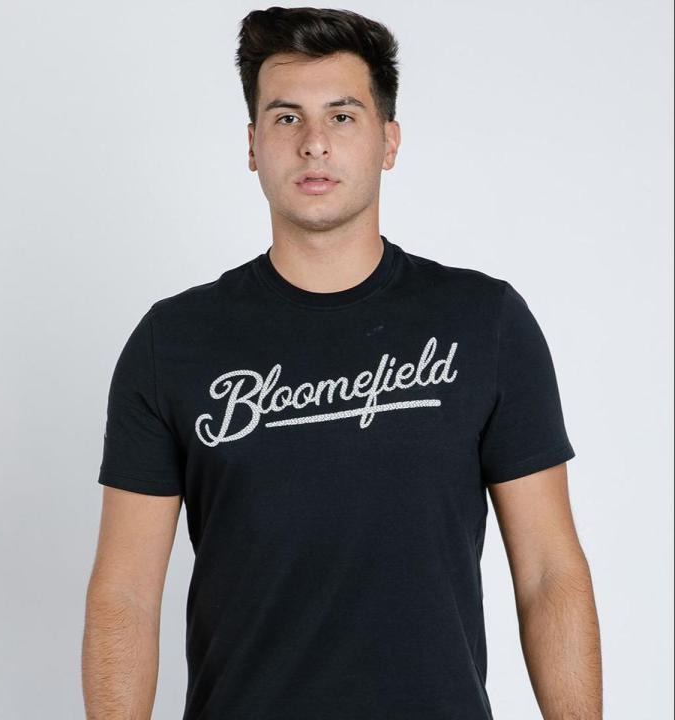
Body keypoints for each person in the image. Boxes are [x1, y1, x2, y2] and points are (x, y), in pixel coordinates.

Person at [82, 7, 602, 719]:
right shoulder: (172, 341)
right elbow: (125, 594)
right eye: (286, 118)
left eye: (343, 116)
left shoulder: (485, 323)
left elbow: (549, 573)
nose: (314, 143)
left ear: (389, 141)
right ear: (253, 145)